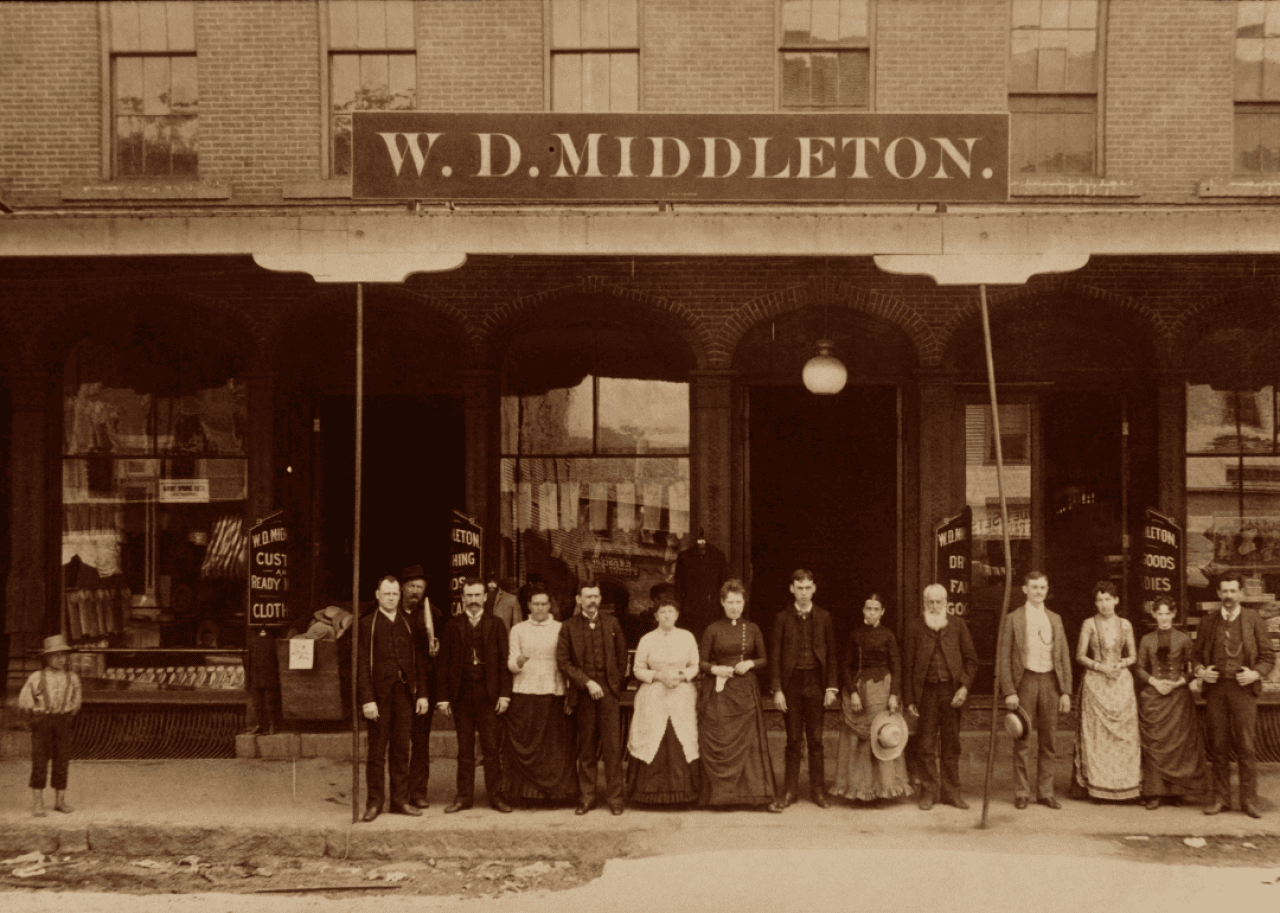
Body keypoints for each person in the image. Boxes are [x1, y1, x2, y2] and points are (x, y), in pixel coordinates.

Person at [1192, 572, 1275, 818]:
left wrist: (1256, 674)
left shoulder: (1253, 619)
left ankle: (1249, 800)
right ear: (1218, 594)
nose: (1228, 596)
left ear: (1241, 593)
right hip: (1217, 690)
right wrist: (1200, 671)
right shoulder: (1208, 621)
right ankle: (1220, 799)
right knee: (1218, 745)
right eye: (1224, 591)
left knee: (1246, 746)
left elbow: (1268, 656)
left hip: (1243, 690)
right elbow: (1195, 655)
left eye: (1232, 591)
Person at [698, 580, 782, 811]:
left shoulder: (753, 628)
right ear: (722, 603)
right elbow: (701, 663)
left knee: (750, 743)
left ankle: (756, 795)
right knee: (723, 739)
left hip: (746, 690)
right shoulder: (712, 629)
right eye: (730, 602)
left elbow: (765, 659)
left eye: (738, 602)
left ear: (744, 603)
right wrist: (715, 669)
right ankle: (721, 797)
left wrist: (751, 663)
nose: (735, 606)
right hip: (721, 693)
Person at [995, 570, 1073, 810]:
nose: (1039, 592)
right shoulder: (1013, 618)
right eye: (1034, 587)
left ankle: (1045, 792)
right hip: (1025, 681)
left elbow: (1064, 656)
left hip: (1050, 681)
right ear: (1025, 589)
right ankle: (1021, 792)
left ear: (1047, 590)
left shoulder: (1055, 619)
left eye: (1043, 587)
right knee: (1023, 738)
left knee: (1049, 740)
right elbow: (1004, 657)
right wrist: (1009, 690)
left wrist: (1066, 691)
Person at [436, 577, 513, 814]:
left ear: (485, 597)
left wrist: (504, 695)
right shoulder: (452, 626)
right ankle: (463, 797)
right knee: (465, 749)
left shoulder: (497, 624)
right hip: (461, 696)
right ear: (463, 598)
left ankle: (496, 796)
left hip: (489, 696)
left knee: (491, 749)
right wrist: (443, 697)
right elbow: (444, 664)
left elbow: (504, 661)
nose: (473, 601)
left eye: (477, 595)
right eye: (468, 596)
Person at [356, 575, 430, 821]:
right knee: (377, 751)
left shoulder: (408, 623)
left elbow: (419, 661)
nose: (391, 598)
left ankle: (400, 800)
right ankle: (375, 802)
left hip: (405, 695)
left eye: (395, 594)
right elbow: (361, 666)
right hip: (379, 697)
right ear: (377, 595)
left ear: (400, 596)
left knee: (401, 750)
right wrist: (367, 699)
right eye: (386, 593)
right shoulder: (367, 624)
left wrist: (422, 694)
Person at [903, 584, 978, 811]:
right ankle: (928, 792)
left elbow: (971, 660)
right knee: (925, 745)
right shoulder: (915, 626)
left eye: (939, 602)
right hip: (926, 693)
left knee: (951, 745)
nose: (935, 607)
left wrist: (964, 688)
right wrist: (909, 699)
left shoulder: (958, 626)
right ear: (924, 604)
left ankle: (952, 793)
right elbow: (907, 666)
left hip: (952, 693)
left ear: (946, 603)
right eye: (930, 602)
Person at [558, 579, 629, 815]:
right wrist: (587, 682)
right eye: (588, 597)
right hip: (584, 696)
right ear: (579, 599)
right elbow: (564, 662)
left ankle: (615, 799)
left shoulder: (612, 623)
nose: (592, 601)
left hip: (608, 695)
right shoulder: (568, 626)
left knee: (612, 748)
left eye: (596, 596)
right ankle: (587, 797)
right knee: (586, 748)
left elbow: (621, 659)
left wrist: (614, 687)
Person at [832, 593, 911, 804]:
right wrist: (853, 692)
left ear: (883, 612)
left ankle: (884, 789)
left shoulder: (888, 635)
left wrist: (894, 694)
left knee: (882, 735)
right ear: (863, 610)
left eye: (876, 609)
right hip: (860, 690)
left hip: (883, 690)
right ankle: (860, 789)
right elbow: (845, 666)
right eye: (868, 608)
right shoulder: (855, 635)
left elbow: (897, 667)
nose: (872, 612)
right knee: (860, 741)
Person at [770, 569, 839, 808]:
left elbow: (831, 654)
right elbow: (776, 655)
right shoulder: (782, 618)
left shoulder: (824, 617)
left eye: (808, 587)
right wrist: (777, 689)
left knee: (817, 740)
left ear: (814, 588)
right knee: (793, 740)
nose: (804, 593)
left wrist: (831, 687)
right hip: (791, 685)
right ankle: (790, 791)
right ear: (791, 589)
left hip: (816, 684)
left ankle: (818, 791)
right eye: (799, 588)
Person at [503, 585, 576, 805]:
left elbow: (565, 662)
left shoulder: (560, 628)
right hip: (524, 693)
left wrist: (565, 690)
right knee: (525, 742)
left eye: (544, 603)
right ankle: (523, 794)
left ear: (550, 605)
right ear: (528, 605)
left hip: (552, 692)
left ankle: (555, 794)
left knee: (552, 746)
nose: (540, 608)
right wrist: (519, 662)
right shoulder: (518, 630)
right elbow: (510, 663)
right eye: (536, 603)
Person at [626, 595, 701, 805]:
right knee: (653, 737)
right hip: (653, 696)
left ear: (677, 615)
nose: (666, 615)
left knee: (680, 738)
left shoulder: (687, 637)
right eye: (662, 612)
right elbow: (638, 669)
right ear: (656, 615)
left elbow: (695, 665)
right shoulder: (647, 639)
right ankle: (648, 793)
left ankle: (684, 794)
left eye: (670, 611)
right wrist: (658, 676)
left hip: (681, 695)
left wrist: (680, 677)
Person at [1072, 581, 1141, 802]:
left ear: (1116, 600)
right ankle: (1098, 787)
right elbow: (1080, 656)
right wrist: (1101, 667)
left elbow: (1133, 656)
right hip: (1096, 683)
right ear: (1095, 603)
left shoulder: (1125, 625)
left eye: (1108, 599)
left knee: (1125, 736)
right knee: (1097, 737)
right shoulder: (1089, 624)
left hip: (1121, 683)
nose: (1104, 604)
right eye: (1100, 600)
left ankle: (1126, 787)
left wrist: (1121, 664)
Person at [1135, 597, 1206, 810]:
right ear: (1154, 615)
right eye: (1160, 613)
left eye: (1168, 613)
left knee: (1178, 745)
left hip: (1177, 697)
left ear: (1173, 615)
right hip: (1153, 696)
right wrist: (1155, 682)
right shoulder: (1147, 640)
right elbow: (1139, 668)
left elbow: (1193, 667)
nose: (1164, 618)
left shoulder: (1183, 639)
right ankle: (1154, 792)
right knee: (1155, 745)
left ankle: (1177, 791)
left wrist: (1177, 684)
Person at [19, 635, 82, 817]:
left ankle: (59, 801)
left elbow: (76, 703)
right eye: (55, 655)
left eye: (63, 655)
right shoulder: (36, 677)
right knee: (39, 761)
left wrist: (66, 713)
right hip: (43, 722)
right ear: (46, 657)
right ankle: (38, 802)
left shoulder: (73, 678)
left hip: (62, 722)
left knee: (62, 761)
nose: (60, 659)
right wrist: (36, 716)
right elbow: (25, 701)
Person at [402, 564, 441, 809]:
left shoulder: (432, 614)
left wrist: (436, 650)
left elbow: (440, 647)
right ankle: (398, 791)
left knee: (420, 742)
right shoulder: (391, 613)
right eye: (412, 586)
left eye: (420, 587)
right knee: (397, 742)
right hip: (398, 687)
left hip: (423, 688)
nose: (416, 591)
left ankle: (417, 792)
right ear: (403, 588)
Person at [675, 533, 728, 642]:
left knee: (712, 639)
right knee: (692, 640)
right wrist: (679, 608)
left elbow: (723, 584)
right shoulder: (684, 556)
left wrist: (722, 607)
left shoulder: (718, 556)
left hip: (712, 608)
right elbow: (678, 586)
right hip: (690, 609)